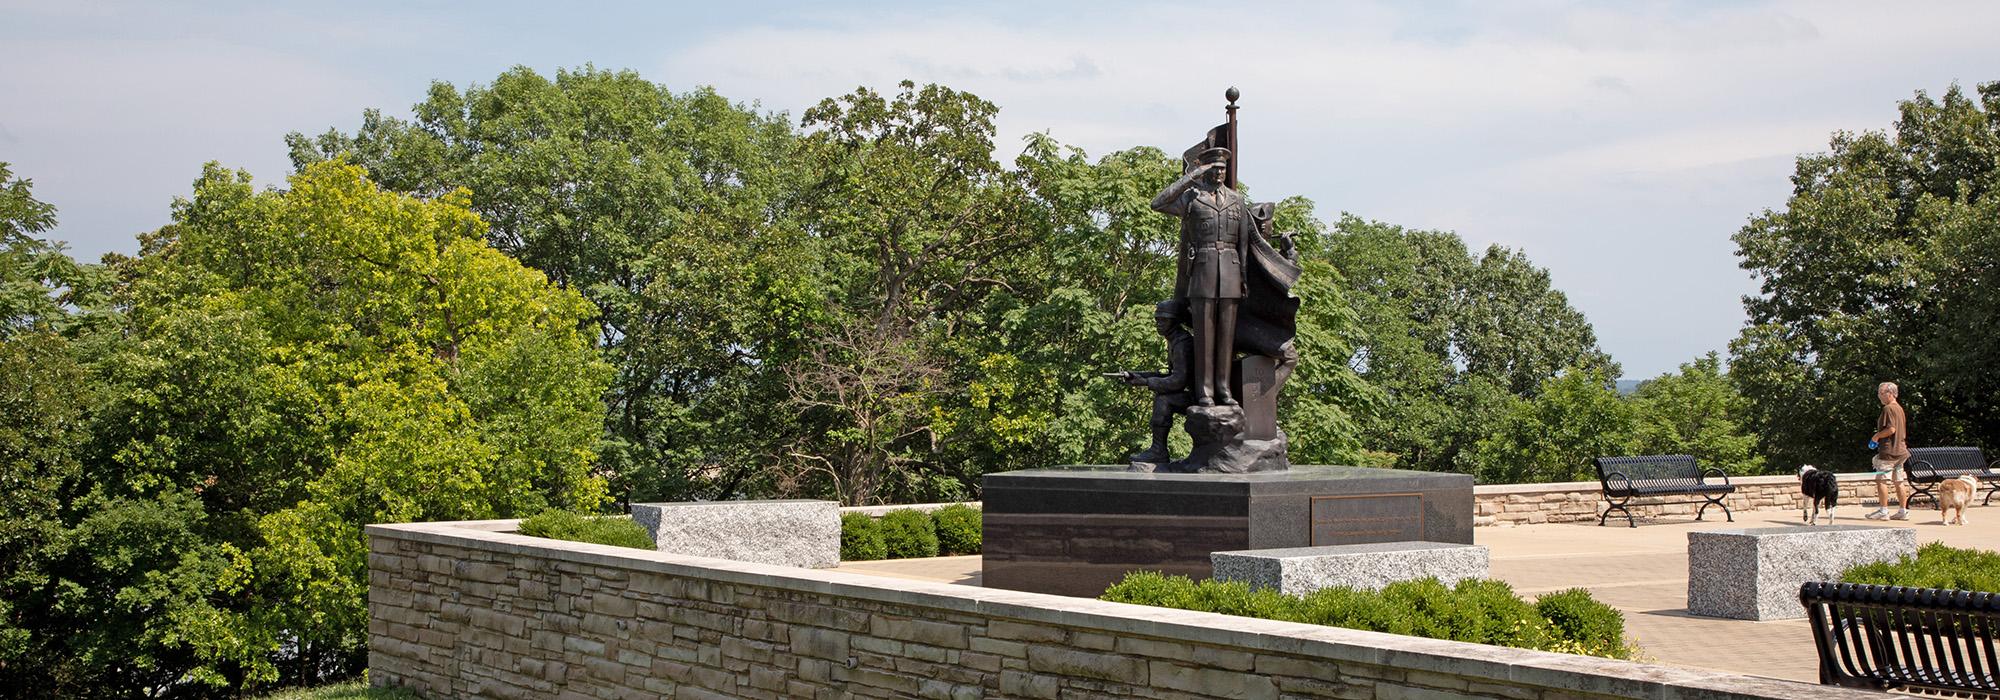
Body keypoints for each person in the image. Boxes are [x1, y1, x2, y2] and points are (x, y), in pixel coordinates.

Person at [1151, 147, 1250, 406]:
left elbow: (1243, 243)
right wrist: (1190, 177)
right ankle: (1205, 391)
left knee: (1226, 337)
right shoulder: (1192, 197)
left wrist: (1243, 277)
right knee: (1204, 337)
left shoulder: (1236, 200)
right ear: (1205, 169)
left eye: (1223, 169)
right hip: (1202, 270)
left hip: (1230, 269)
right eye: (1214, 168)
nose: (1219, 173)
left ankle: (1223, 389)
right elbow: (1158, 203)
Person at [1120, 300, 1195, 463]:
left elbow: (1178, 381)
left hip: (1199, 397)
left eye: (1164, 320)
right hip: (1191, 393)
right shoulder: (1174, 339)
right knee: (1163, 397)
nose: (1159, 324)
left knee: (1164, 399)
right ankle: (1158, 449)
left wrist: (1146, 382)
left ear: (1175, 321)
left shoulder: (1182, 343)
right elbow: (1170, 374)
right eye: (1157, 320)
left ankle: (1158, 450)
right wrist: (1138, 375)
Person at [1865, 381, 1912, 520]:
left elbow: (1891, 429)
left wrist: (1876, 436)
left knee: (1881, 479)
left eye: (1881, 393)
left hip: (1889, 451)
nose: (1879, 396)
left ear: (1890, 394)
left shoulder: (1888, 409)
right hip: (1901, 451)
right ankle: (1903, 511)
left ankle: (1883, 511)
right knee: (1898, 481)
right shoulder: (1899, 408)